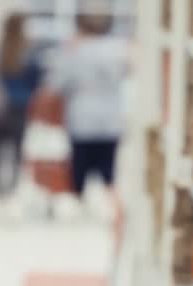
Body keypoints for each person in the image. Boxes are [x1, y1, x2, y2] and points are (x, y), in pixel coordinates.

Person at [45, 11, 129, 222]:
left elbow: (57, 84)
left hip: (82, 117)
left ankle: (79, 206)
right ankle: (110, 209)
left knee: (80, 167)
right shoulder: (117, 50)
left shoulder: (75, 51)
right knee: (108, 168)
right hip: (110, 119)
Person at [0, 13, 42, 207]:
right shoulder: (29, 53)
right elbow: (37, 81)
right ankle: (12, 190)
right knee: (17, 150)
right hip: (20, 108)